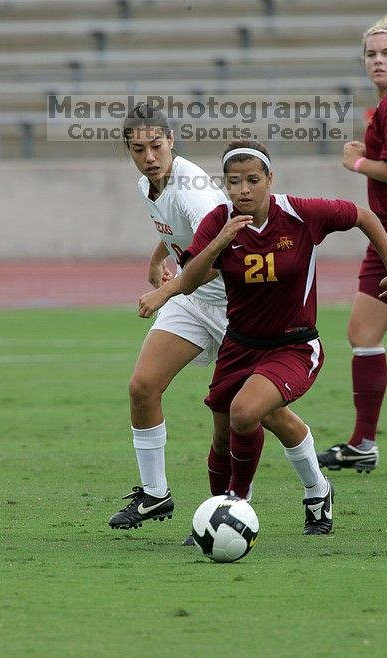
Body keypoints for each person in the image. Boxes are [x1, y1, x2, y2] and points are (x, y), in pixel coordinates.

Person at [179, 139, 387, 534]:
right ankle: (315, 490)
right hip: (239, 345)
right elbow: (189, 282)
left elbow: (363, 216)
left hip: (294, 345)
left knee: (246, 412)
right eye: (234, 182)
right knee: (227, 435)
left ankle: (235, 508)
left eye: (252, 180)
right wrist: (219, 240)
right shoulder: (217, 221)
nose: (243, 190)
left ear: (270, 179)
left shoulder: (300, 214)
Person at [108, 103, 235, 535]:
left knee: (247, 418)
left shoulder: (193, 188)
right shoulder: (149, 185)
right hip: (192, 299)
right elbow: (179, 233)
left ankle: (316, 488)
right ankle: (154, 494)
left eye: (156, 146)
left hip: (237, 305)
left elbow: (220, 250)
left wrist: (163, 290)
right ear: (128, 151)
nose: (149, 156)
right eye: (138, 149)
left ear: (171, 141)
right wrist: (157, 258)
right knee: (143, 387)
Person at [317, 16, 387, 473]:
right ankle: (363, 443)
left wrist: (358, 162)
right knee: (363, 334)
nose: (378, 60)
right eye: (371, 54)